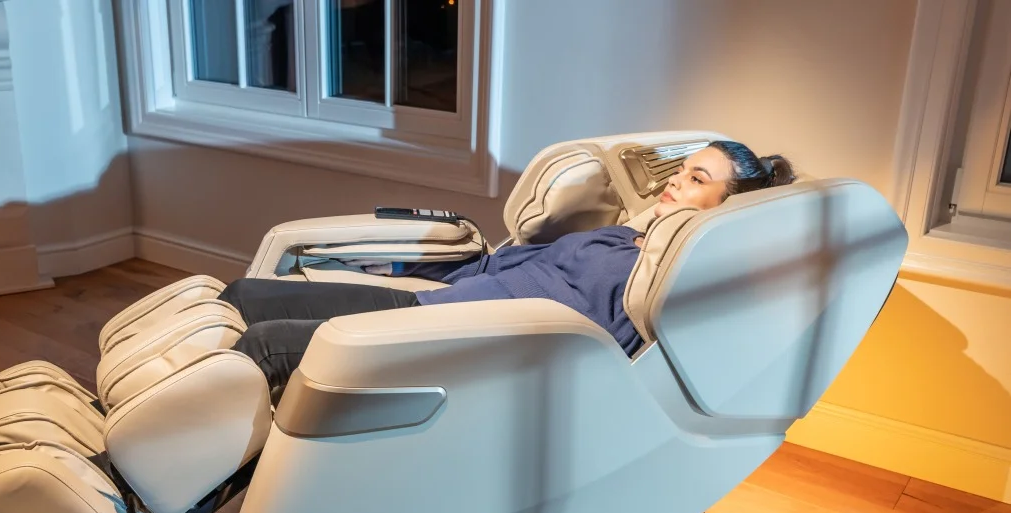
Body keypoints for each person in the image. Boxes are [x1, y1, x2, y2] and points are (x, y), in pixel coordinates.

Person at [219, 141, 796, 401]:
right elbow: (509, 262)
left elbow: (594, 357)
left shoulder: (669, 278)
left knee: (268, 346)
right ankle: (162, 400)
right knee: (243, 292)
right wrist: (410, 266)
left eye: (698, 179)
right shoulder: (627, 234)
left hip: (456, 338)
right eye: (683, 170)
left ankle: (189, 459)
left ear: (729, 206)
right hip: (437, 306)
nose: (675, 181)